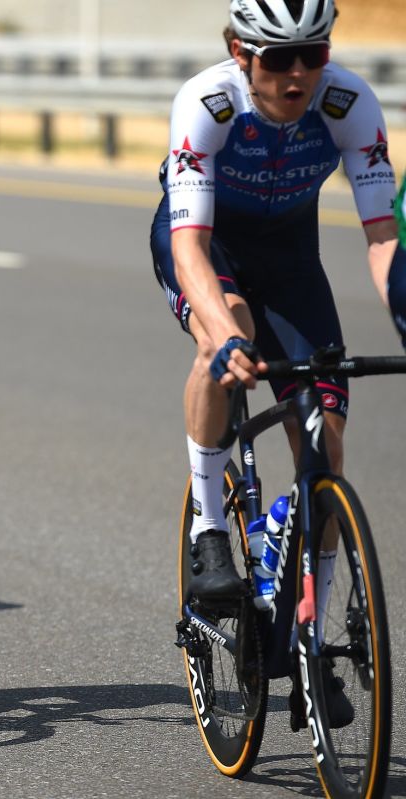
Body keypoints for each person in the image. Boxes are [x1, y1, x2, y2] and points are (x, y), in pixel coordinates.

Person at [151, 0, 404, 602]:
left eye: (313, 55)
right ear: (240, 53)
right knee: (226, 331)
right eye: (279, 59)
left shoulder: (348, 103)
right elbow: (189, 248)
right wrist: (225, 336)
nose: (298, 74)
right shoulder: (209, 102)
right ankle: (210, 526)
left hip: (291, 262)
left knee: (326, 444)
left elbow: (384, 239)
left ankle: (311, 619)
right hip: (208, 247)